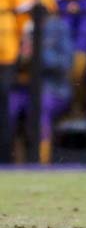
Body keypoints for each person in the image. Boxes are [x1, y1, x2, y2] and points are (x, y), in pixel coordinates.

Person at [9, 10, 72, 164]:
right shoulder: (11, 22)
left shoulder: (57, 27)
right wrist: (17, 55)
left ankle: (41, 162)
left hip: (52, 88)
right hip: (20, 87)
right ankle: (9, 161)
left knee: (39, 106)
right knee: (9, 106)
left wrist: (37, 52)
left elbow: (65, 64)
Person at [0, 0, 34, 163]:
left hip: (5, 52)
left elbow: (26, 12)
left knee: (3, 107)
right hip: (6, 50)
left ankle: (4, 158)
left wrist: (27, 42)